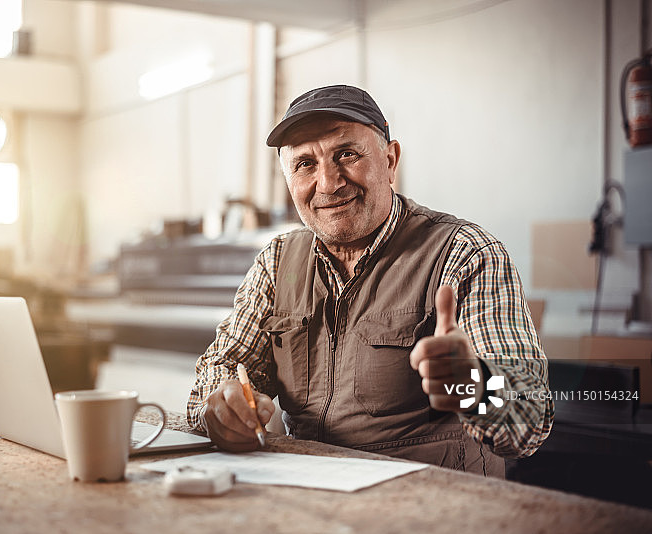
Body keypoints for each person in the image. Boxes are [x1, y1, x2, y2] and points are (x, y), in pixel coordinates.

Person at [186, 84, 553, 476]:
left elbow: (531, 416)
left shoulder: (465, 254)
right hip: (313, 500)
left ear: (390, 160)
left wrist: (475, 388)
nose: (328, 183)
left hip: (431, 512)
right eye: (305, 164)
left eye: (346, 154)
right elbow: (223, 364)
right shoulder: (279, 263)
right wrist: (221, 400)